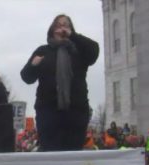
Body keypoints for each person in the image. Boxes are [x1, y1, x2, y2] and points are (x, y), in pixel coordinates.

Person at [20, 14, 99, 151]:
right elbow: (27, 77)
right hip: (48, 111)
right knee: (50, 152)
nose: (62, 28)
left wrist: (73, 35)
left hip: (76, 111)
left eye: (66, 25)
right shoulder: (43, 51)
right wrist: (33, 65)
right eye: (58, 25)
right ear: (52, 30)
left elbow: (94, 51)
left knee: (73, 153)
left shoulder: (79, 50)